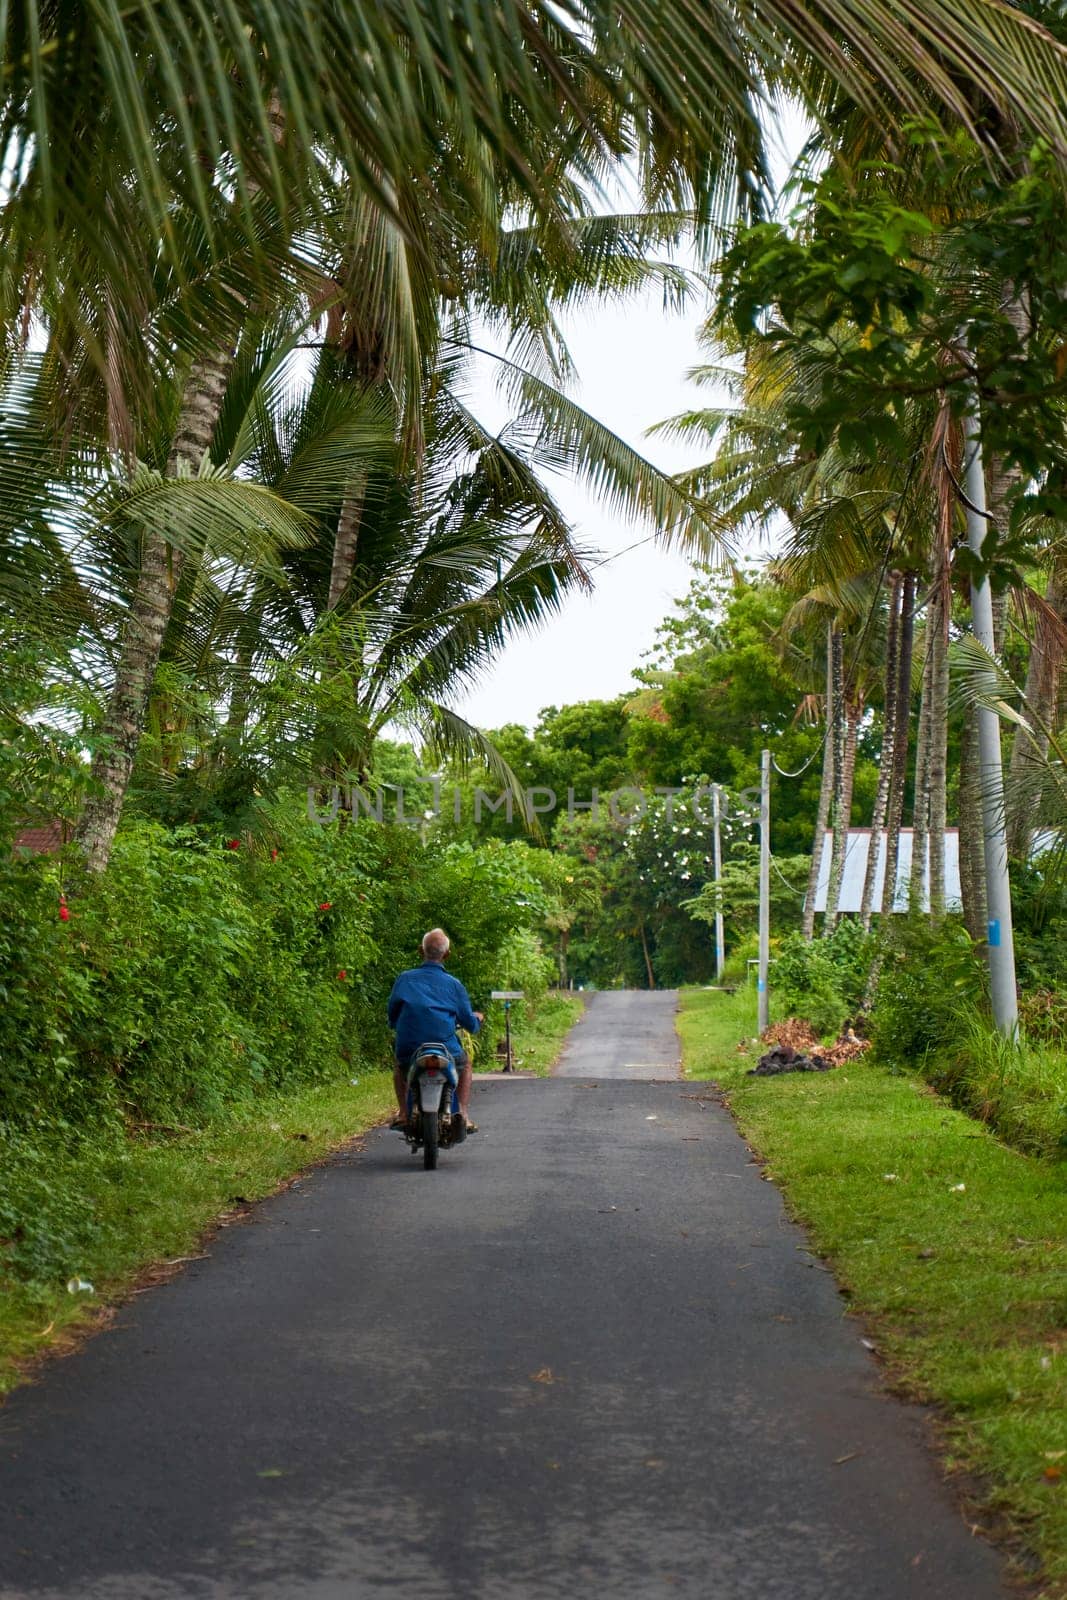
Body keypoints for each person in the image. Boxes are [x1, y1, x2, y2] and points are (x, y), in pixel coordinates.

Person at [387, 929, 482, 1132]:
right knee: (465, 1065)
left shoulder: (404, 979)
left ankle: (404, 1113)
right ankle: (463, 1114)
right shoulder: (454, 985)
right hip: (446, 1048)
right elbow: (470, 1024)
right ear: (446, 955)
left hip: (410, 1048)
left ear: (421, 951)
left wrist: (399, 1025)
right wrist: (477, 1019)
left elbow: (392, 1015)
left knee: (399, 1067)